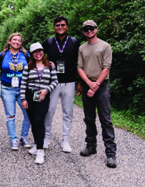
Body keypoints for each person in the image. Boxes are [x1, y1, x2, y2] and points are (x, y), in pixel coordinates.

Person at [77, 20, 117, 168]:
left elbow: (107, 68)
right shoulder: (82, 48)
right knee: (89, 118)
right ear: (83, 31)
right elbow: (80, 68)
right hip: (88, 84)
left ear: (96, 29)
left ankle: (111, 153)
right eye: (86, 29)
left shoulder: (105, 46)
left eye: (91, 28)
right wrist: (88, 84)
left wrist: (96, 85)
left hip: (101, 86)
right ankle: (91, 145)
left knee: (105, 119)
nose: (89, 31)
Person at [41, 15, 81, 153]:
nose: (60, 27)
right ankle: (46, 137)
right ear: (54, 27)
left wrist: (80, 82)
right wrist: (46, 64)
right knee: (49, 110)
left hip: (69, 81)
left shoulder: (75, 42)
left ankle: (65, 140)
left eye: (63, 25)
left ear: (67, 26)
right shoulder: (49, 42)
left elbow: (81, 62)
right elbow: (37, 56)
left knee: (67, 112)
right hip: (52, 82)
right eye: (57, 25)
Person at [0, 33, 31, 150]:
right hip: (7, 88)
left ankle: (23, 137)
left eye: (19, 40)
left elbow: (37, 64)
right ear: (9, 41)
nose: (17, 42)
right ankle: (13, 139)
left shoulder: (25, 55)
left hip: (23, 88)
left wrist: (49, 64)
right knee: (11, 116)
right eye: (14, 40)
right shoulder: (3, 55)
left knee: (28, 113)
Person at [20, 43, 58, 164]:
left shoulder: (50, 66)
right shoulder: (28, 67)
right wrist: (23, 99)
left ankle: (40, 150)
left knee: (38, 120)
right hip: (30, 96)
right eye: (35, 51)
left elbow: (55, 81)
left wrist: (47, 90)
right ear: (32, 54)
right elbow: (23, 84)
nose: (38, 53)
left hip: (43, 96)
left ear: (43, 52)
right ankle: (37, 144)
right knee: (33, 121)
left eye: (40, 51)